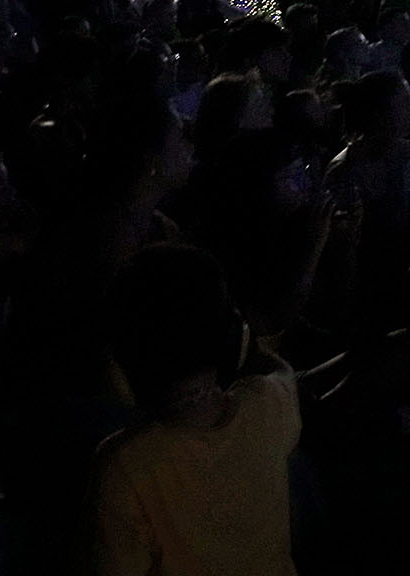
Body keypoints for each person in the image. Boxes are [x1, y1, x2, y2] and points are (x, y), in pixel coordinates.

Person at [93, 244, 302, 576]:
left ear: (125, 355)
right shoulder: (269, 404)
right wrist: (250, 343)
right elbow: (280, 372)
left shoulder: (123, 467)